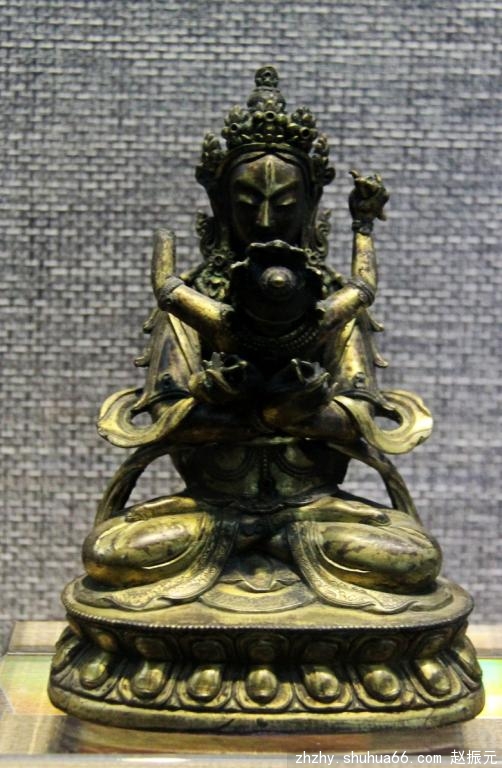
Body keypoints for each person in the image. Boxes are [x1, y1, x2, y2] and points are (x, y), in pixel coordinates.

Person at [81, 67, 441, 613]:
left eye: (285, 203)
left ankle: (272, 559)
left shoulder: (333, 301)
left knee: (414, 559)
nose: (267, 219)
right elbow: (165, 418)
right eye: (249, 202)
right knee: (109, 555)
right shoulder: (189, 301)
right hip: (210, 508)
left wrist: (301, 409)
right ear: (222, 204)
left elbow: (360, 417)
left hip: (313, 508)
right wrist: (224, 401)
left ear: (311, 204)